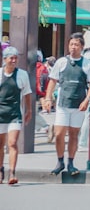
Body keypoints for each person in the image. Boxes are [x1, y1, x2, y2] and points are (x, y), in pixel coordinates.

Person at [43, 32, 90, 176]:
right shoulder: (61, 62)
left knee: (74, 135)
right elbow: (53, 81)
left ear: (82, 47)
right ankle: (60, 161)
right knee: (59, 133)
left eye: (76, 45)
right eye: (71, 44)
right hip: (63, 104)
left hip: (78, 104)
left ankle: (71, 163)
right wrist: (48, 98)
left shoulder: (87, 64)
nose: (73, 47)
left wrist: (87, 100)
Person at [0, 46, 32, 185]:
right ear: (4, 59)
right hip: (1, 113)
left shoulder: (22, 74)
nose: (13, 61)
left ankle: (12, 172)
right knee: (0, 144)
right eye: (11, 58)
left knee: (12, 143)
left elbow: (27, 93)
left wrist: (29, 110)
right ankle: (1, 169)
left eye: (15, 58)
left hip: (14, 113)